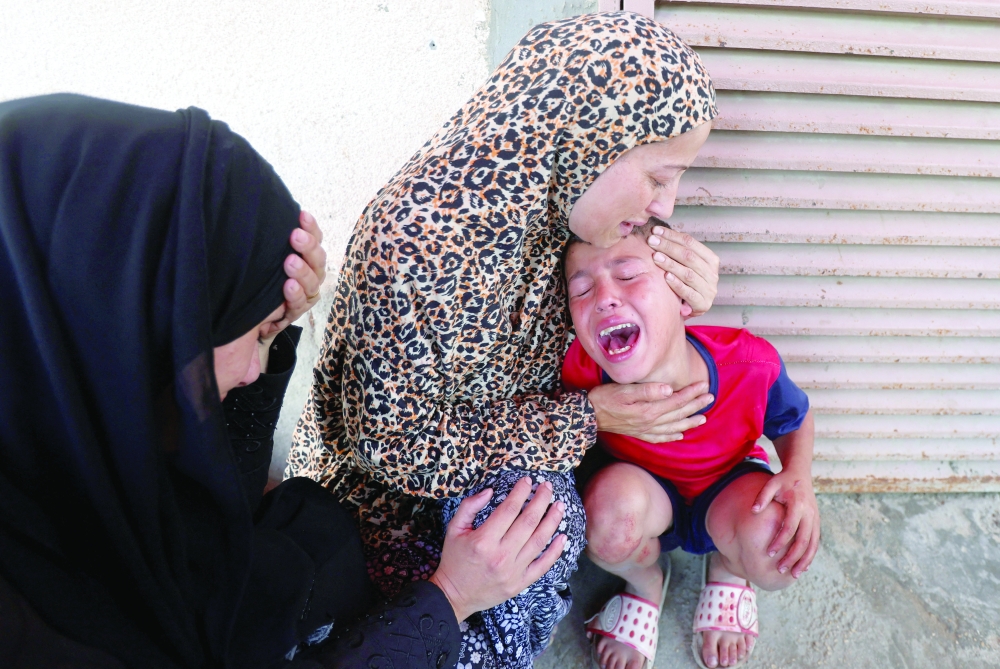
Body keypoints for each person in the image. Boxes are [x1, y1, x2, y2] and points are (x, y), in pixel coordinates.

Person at [0, 93, 566, 669]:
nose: (255, 368)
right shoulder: (34, 631)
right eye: (252, 334)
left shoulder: (75, 408)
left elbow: (216, 508)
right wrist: (450, 598)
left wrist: (271, 330)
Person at [287, 11, 722, 668]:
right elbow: (394, 448)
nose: (666, 206)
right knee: (538, 522)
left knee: (546, 517)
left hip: (495, 456)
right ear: (586, 140)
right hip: (379, 502)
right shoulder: (417, 247)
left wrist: (681, 285)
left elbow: (628, 311)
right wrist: (583, 418)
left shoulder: (565, 204)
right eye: (659, 177)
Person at [561, 223, 821, 669]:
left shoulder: (749, 363)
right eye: (581, 290)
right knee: (604, 522)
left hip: (729, 483)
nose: (603, 298)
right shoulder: (577, 372)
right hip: (644, 490)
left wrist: (798, 475)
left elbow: (794, 419)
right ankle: (645, 584)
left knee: (778, 548)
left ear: (684, 297)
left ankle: (728, 569)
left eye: (627, 275)